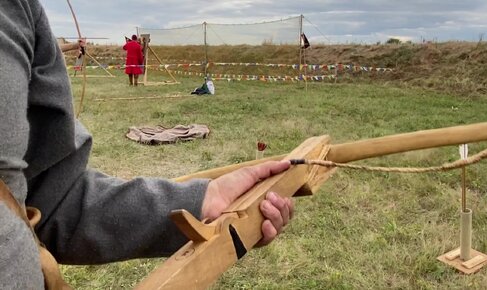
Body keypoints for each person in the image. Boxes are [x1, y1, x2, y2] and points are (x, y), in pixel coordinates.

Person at [0, 1, 294, 289]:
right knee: (132, 71)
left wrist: (201, 201)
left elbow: (50, 197)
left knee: (133, 71)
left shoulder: (19, 10)